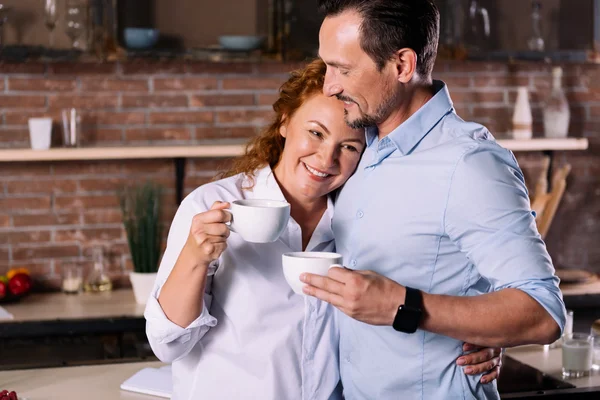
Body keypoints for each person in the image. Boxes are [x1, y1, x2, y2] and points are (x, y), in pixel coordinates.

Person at [144, 59, 501, 399]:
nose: (326, 159)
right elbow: (168, 344)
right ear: (285, 122)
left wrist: (479, 334)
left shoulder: (364, 219)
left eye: (348, 146)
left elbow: (430, 284)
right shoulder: (212, 205)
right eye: (315, 133)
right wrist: (195, 256)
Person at [300, 1, 567, 399]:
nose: (328, 85)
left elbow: (543, 313)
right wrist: (477, 324)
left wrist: (403, 306)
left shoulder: (470, 165)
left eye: (343, 69)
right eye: (327, 66)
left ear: (403, 66)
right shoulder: (362, 146)